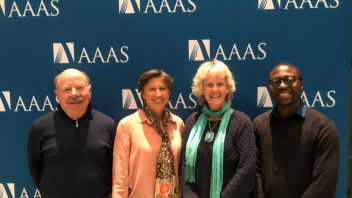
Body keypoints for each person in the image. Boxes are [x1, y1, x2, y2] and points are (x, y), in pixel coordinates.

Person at [254, 62, 339, 198]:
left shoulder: (323, 127)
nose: (282, 85)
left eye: (289, 80)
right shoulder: (259, 124)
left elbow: (324, 184)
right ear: (270, 87)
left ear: (301, 85)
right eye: (275, 81)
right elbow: (254, 173)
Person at [27, 69, 116, 198]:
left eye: (80, 87)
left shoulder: (108, 124)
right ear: (57, 95)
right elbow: (35, 165)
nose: (74, 94)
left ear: (89, 91)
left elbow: (116, 168)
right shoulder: (40, 127)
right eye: (66, 89)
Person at [180, 60, 255, 198]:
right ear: (202, 89)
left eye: (220, 84)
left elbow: (247, 171)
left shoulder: (241, 121)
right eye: (209, 85)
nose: (215, 89)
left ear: (228, 88)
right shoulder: (192, 121)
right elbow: (184, 166)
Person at [112, 70, 185, 198]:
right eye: (152, 89)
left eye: (162, 88)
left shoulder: (178, 124)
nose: (158, 94)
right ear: (143, 94)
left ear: (168, 93)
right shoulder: (127, 125)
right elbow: (120, 176)